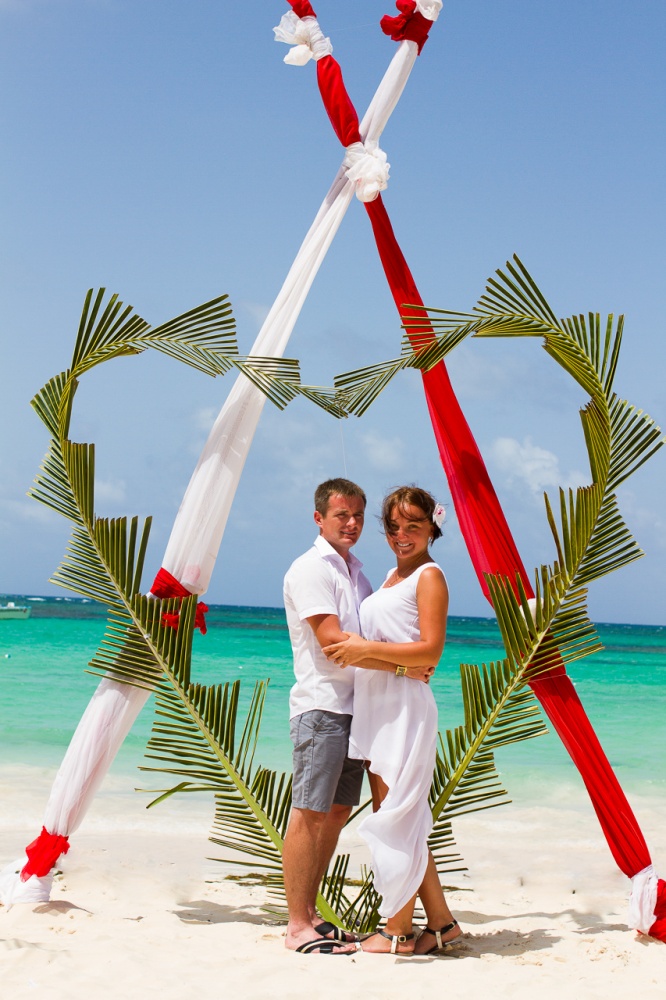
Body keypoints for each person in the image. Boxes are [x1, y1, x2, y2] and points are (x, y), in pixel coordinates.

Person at [282, 478, 434, 955]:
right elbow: (333, 644)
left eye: (358, 516)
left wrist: (397, 663)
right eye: (340, 515)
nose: (351, 523)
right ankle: (297, 925)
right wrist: (405, 666)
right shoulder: (311, 569)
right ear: (319, 519)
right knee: (309, 812)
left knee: (335, 812)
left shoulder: (361, 575)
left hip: (359, 711)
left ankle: (312, 916)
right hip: (323, 705)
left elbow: (368, 642)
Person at [324, 485, 462, 956]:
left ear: (432, 529)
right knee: (402, 817)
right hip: (379, 705)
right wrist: (383, 660)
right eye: (394, 526)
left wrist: (364, 651)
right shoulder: (389, 576)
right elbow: (400, 654)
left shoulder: (429, 576)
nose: (402, 535)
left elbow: (430, 651)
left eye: (413, 526)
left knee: (395, 817)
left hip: (403, 709)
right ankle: (441, 925)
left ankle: (398, 930)